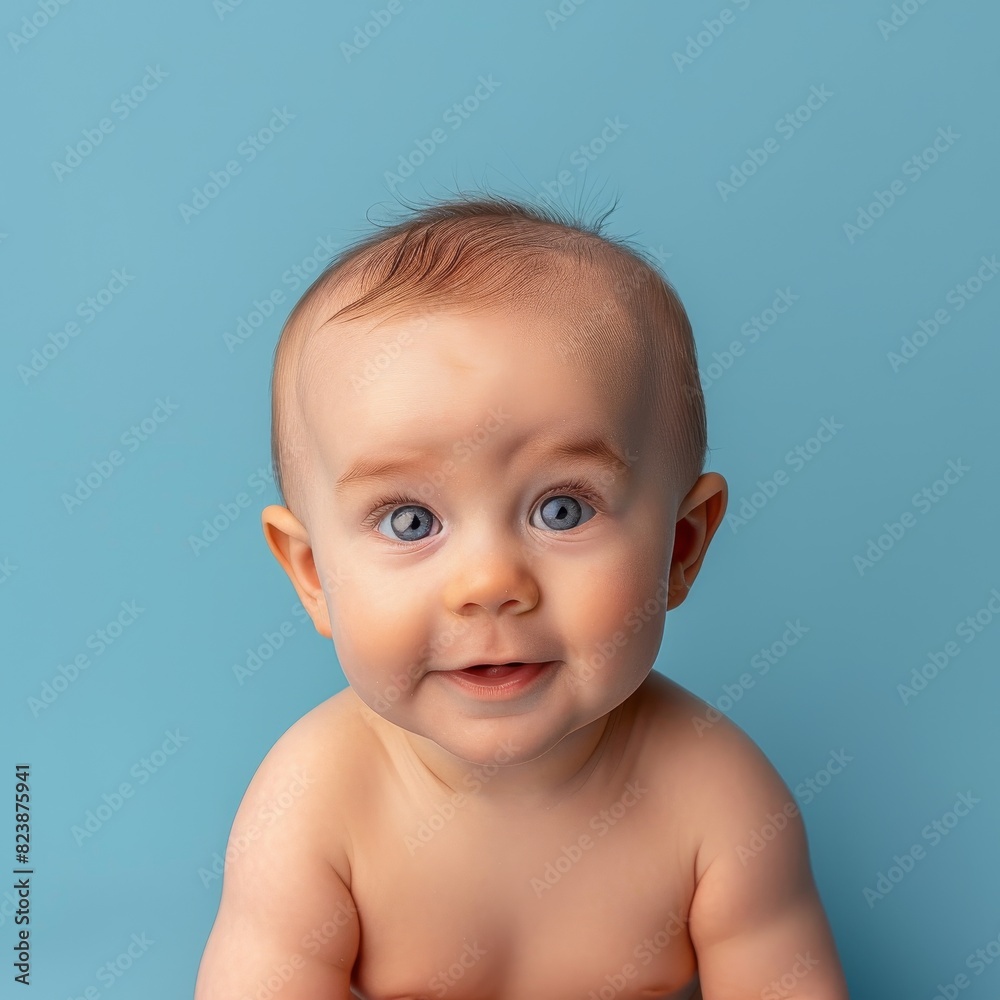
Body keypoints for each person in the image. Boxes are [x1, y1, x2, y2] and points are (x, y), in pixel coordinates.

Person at [194, 193, 850, 999]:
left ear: (680, 548)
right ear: (312, 575)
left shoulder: (718, 799)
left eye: (562, 510)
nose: (490, 585)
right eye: (410, 520)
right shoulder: (312, 805)